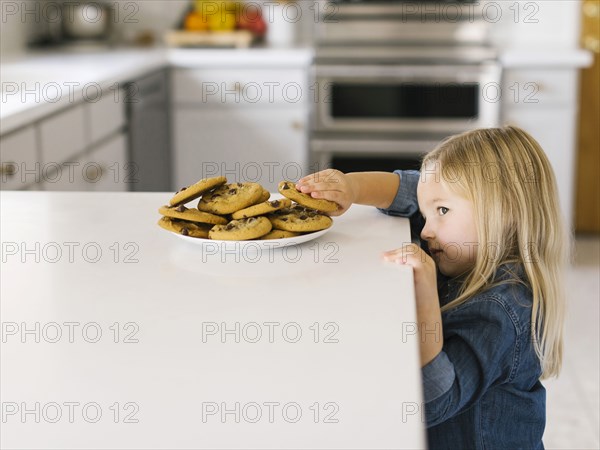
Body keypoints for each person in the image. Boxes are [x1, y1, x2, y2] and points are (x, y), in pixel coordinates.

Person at [295, 126, 567, 449]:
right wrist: (351, 186)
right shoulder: (469, 245)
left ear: (502, 211)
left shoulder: (503, 308)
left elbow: (429, 401)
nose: (425, 231)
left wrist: (423, 292)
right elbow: (413, 189)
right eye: (426, 213)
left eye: (441, 212)